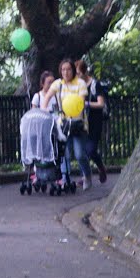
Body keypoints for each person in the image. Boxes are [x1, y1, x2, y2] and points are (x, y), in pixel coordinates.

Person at [41, 57, 93, 190]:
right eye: (63, 69)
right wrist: (44, 110)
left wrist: (74, 110)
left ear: (73, 70)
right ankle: (65, 178)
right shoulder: (58, 84)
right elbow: (47, 97)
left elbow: (80, 102)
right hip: (63, 123)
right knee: (65, 154)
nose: (66, 72)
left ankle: (87, 175)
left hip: (78, 123)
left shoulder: (80, 83)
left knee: (80, 154)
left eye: (68, 69)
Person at [75, 58, 108, 183]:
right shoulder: (76, 86)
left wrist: (86, 104)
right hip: (81, 121)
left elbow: (101, 104)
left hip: (94, 121)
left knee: (91, 149)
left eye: (78, 73)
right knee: (81, 151)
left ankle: (101, 167)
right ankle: (85, 176)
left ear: (84, 72)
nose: (77, 76)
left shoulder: (94, 84)